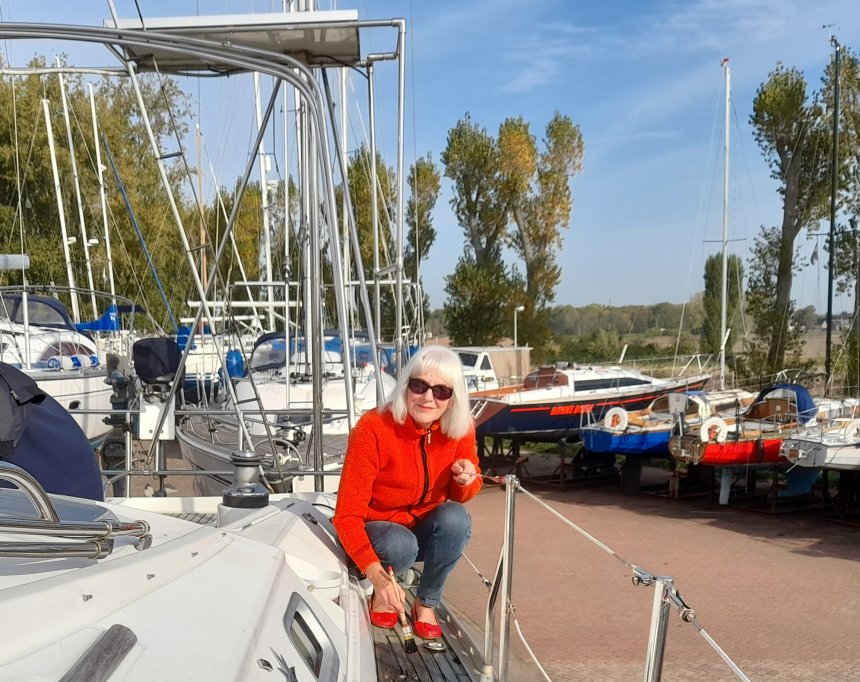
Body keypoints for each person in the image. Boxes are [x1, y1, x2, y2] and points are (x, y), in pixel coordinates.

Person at [333, 345, 481, 639]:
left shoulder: (460, 428)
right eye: (419, 385)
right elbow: (346, 517)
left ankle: (426, 602)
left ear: (453, 397)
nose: (428, 397)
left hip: (424, 530)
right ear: (405, 386)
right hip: (381, 533)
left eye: (441, 390)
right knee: (401, 544)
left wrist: (465, 480)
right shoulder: (373, 427)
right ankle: (383, 591)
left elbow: (463, 495)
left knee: (457, 518)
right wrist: (378, 579)